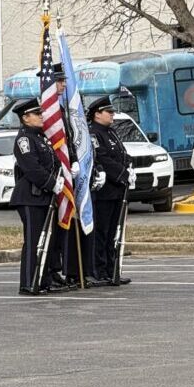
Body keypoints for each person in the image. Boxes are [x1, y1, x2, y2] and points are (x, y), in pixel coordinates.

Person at [11, 98, 64, 294]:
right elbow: (32, 168)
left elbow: (54, 163)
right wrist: (51, 183)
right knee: (34, 241)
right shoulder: (24, 139)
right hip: (30, 197)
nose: (42, 116)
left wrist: (60, 178)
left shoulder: (41, 138)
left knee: (47, 241)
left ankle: (43, 280)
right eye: (37, 114)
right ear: (26, 118)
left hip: (44, 196)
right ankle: (28, 282)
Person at [86, 95, 132, 284]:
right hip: (104, 191)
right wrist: (122, 174)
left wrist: (130, 166)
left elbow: (122, 153)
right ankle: (100, 270)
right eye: (109, 112)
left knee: (114, 231)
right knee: (102, 232)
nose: (112, 115)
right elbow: (103, 158)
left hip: (117, 190)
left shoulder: (110, 132)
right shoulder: (94, 134)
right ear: (97, 114)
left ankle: (112, 270)